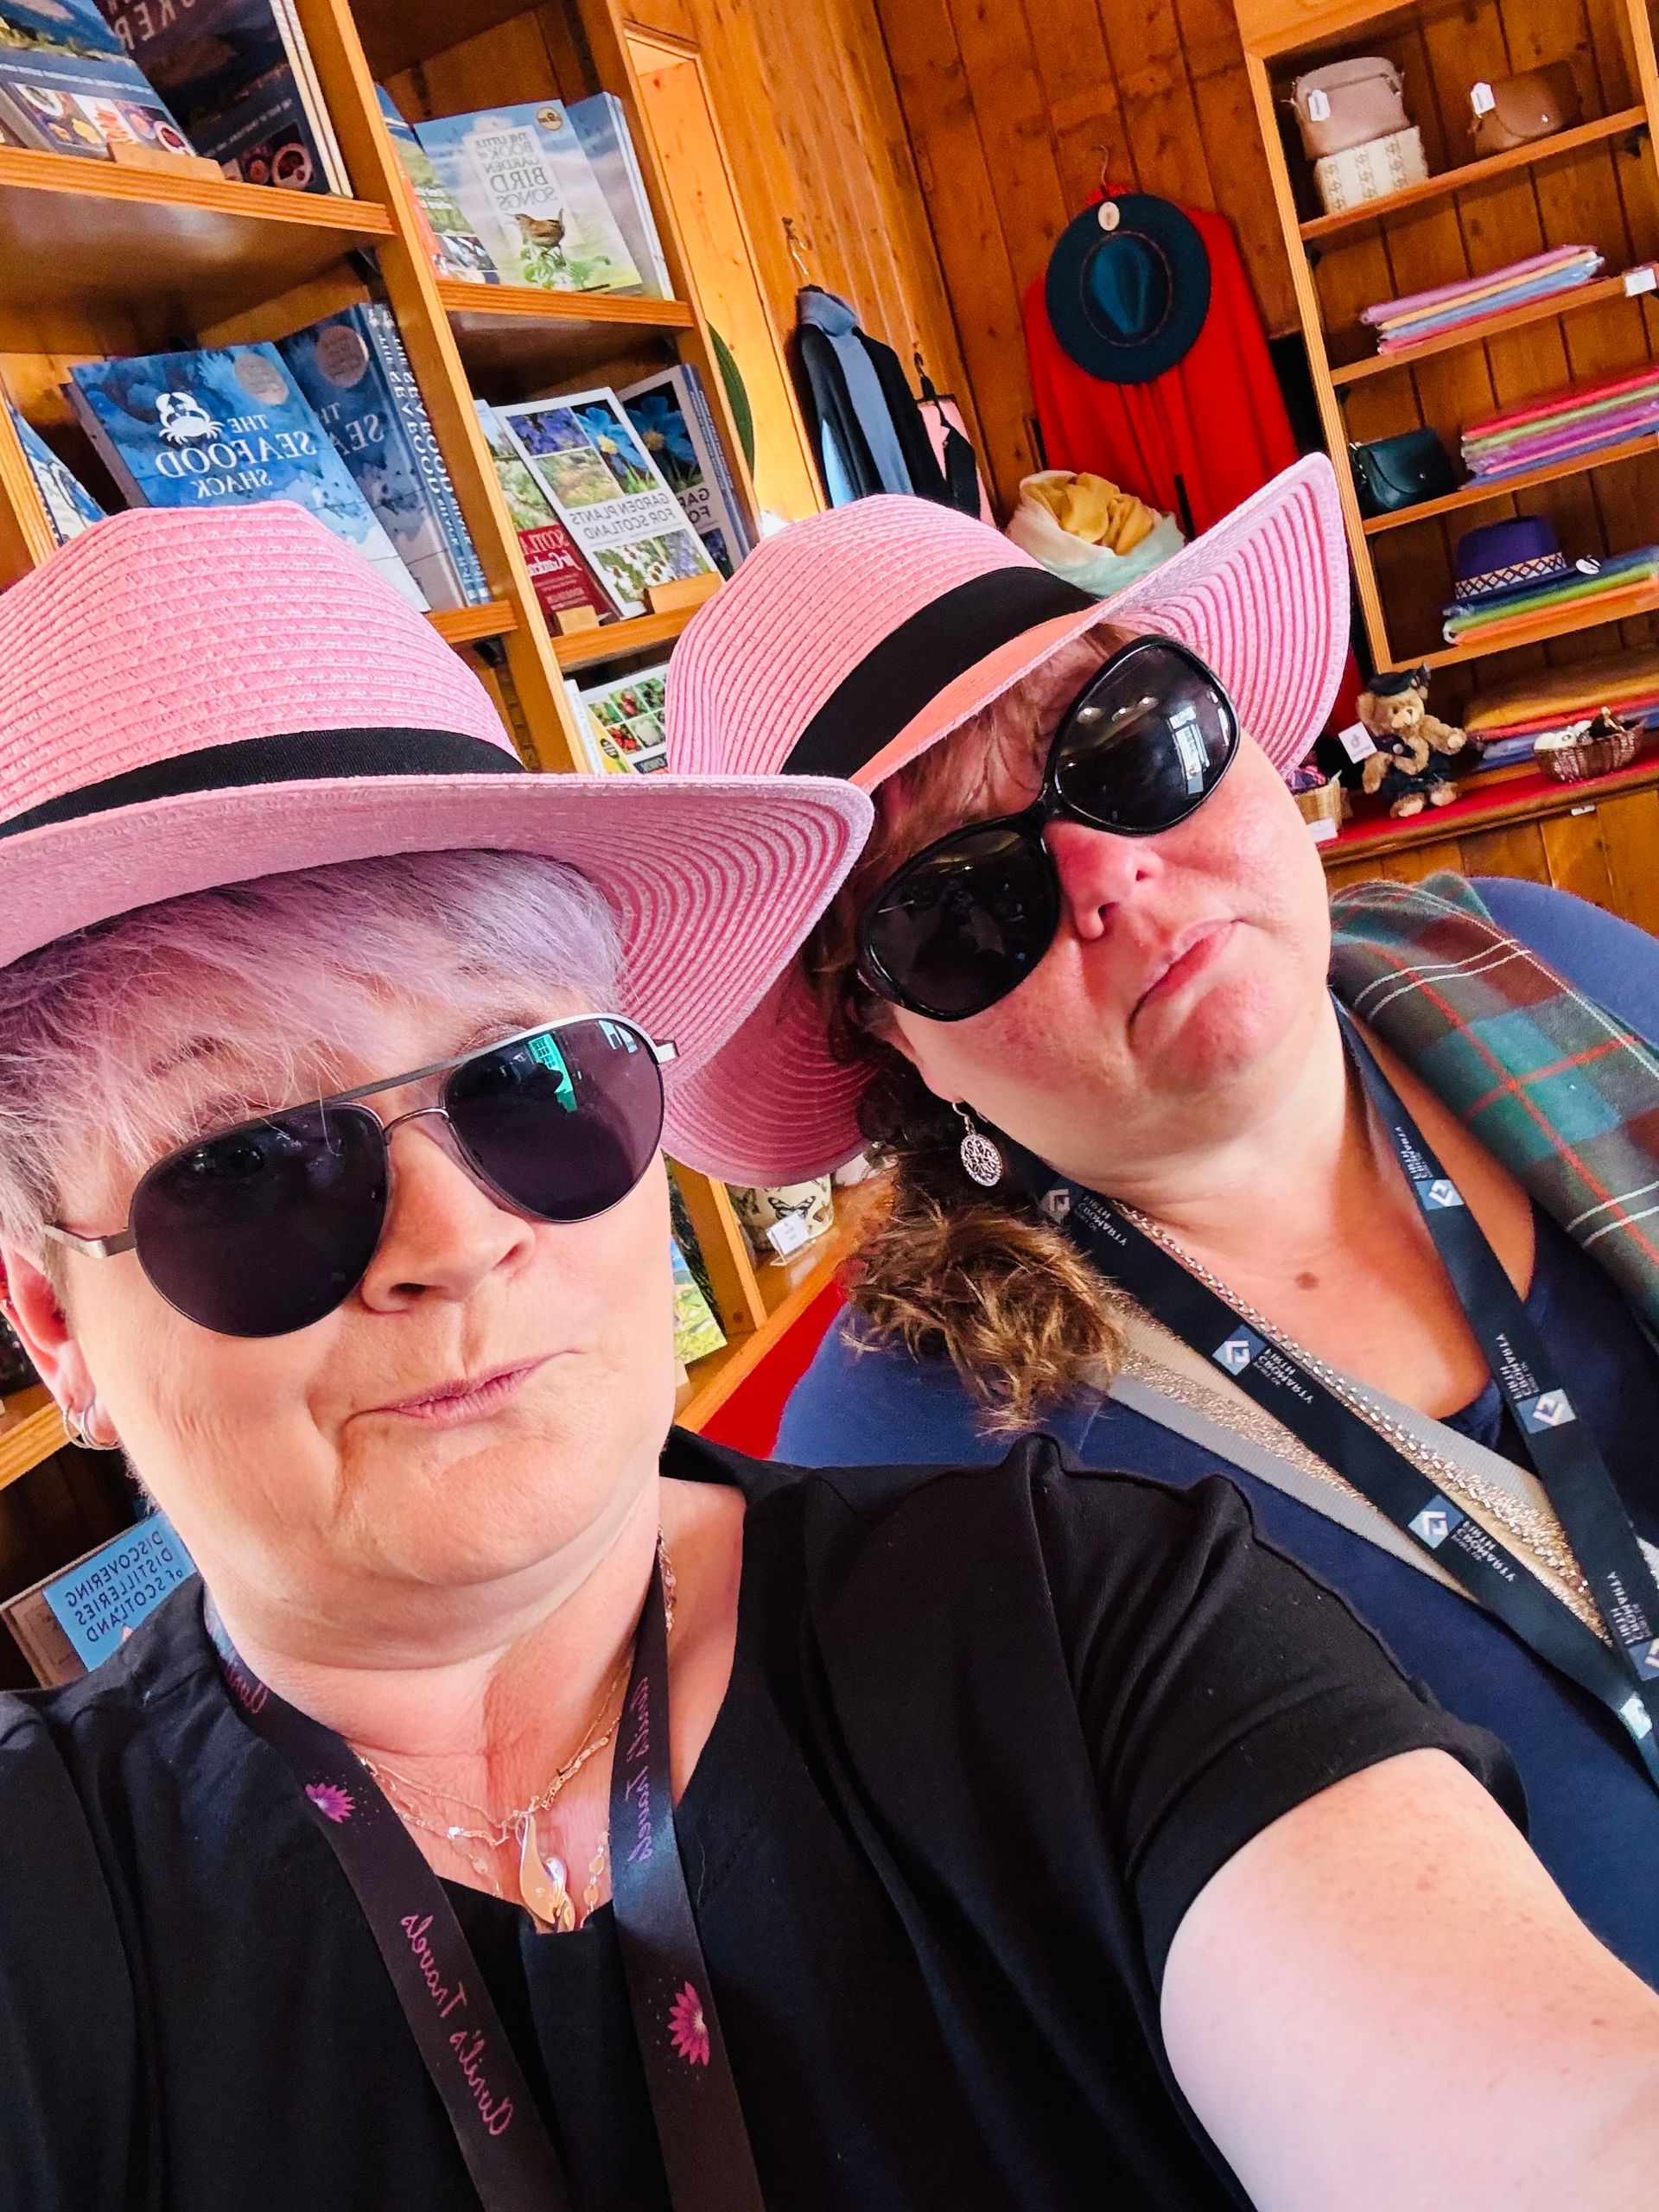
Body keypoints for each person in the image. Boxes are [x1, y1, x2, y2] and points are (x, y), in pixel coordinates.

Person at [3, 503, 1658, 2212]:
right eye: (255, 1163)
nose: (457, 1236)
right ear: (55, 1320)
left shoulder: (1083, 1614)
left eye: (532, 1082)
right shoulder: (949, 1432)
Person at [663, 456, 1659, 1993]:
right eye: (960, 907)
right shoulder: (909, 1483)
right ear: (891, 1044)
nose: (1108, 875)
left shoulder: (1534, 960)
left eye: (1127, 744)